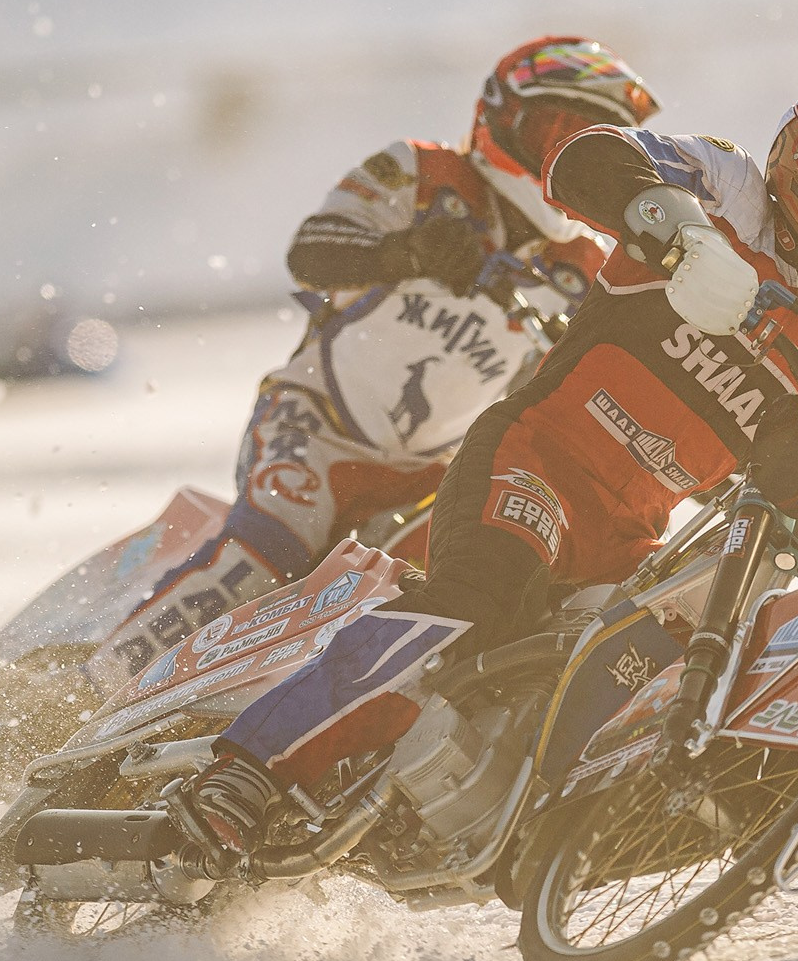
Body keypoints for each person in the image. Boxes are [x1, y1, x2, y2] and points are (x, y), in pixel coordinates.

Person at [157, 61, 798, 872]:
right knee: (476, 598)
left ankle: (532, 830)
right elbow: (588, 160)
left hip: (632, 538)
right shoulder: (727, 187)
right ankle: (249, 768)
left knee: (650, 669)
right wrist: (681, 239)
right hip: (532, 457)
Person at [117, 36, 661, 653]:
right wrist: (405, 253)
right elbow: (310, 254)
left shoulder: (591, 265)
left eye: (595, 143)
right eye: (560, 129)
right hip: (316, 423)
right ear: (502, 119)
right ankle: (78, 695)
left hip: (436, 473)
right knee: (261, 558)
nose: (566, 155)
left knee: (437, 608)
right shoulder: (420, 172)